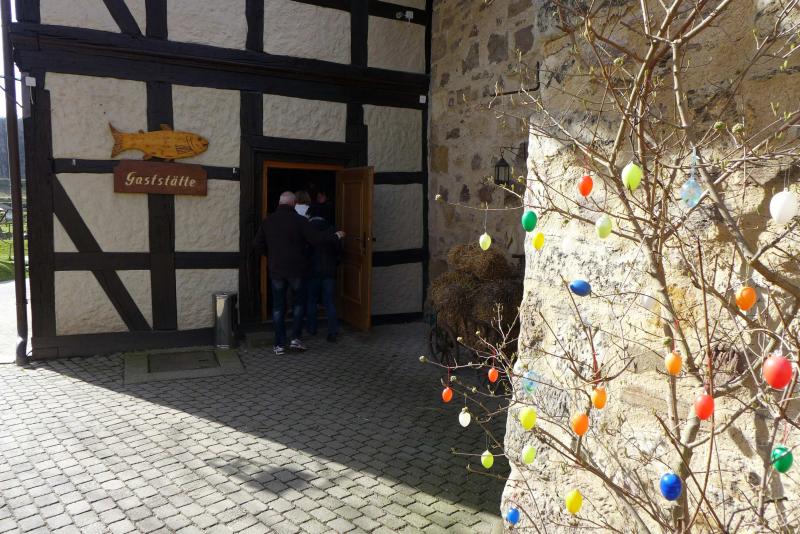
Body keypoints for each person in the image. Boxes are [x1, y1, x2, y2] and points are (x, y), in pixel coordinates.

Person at [253, 191, 344, 355]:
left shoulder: (268, 221)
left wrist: (271, 256)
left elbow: (257, 244)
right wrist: (335, 236)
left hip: (276, 270)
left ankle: (279, 344)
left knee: (278, 307)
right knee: (298, 305)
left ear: (279, 203)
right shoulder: (300, 221)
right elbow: (316, 239)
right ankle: (295, 339)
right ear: (293, 203)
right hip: (297, 270)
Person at [305, 205, 341, 342]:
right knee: (329, 302)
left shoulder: (307, 229)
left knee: (311, 300)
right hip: (329, 270)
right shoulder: (332, 229)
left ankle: (312, 329)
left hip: (311, 271)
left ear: (310, 214)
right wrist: (335, 264)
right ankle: (333, 332)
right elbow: (338, 250)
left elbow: (304, 250)